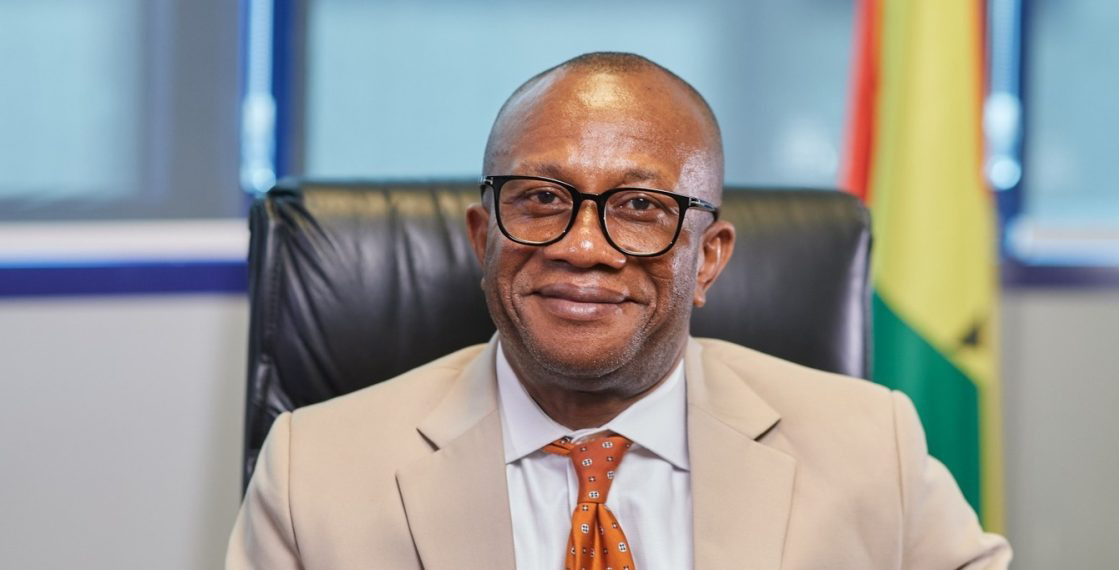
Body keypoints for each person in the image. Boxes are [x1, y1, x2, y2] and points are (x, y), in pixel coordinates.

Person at [226, 52, 1011, 569]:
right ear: (482, 236)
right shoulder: (312, 474)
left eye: (640, 207)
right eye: (540, 198)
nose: (583, 247)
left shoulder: (872, 446)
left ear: (708, 258)